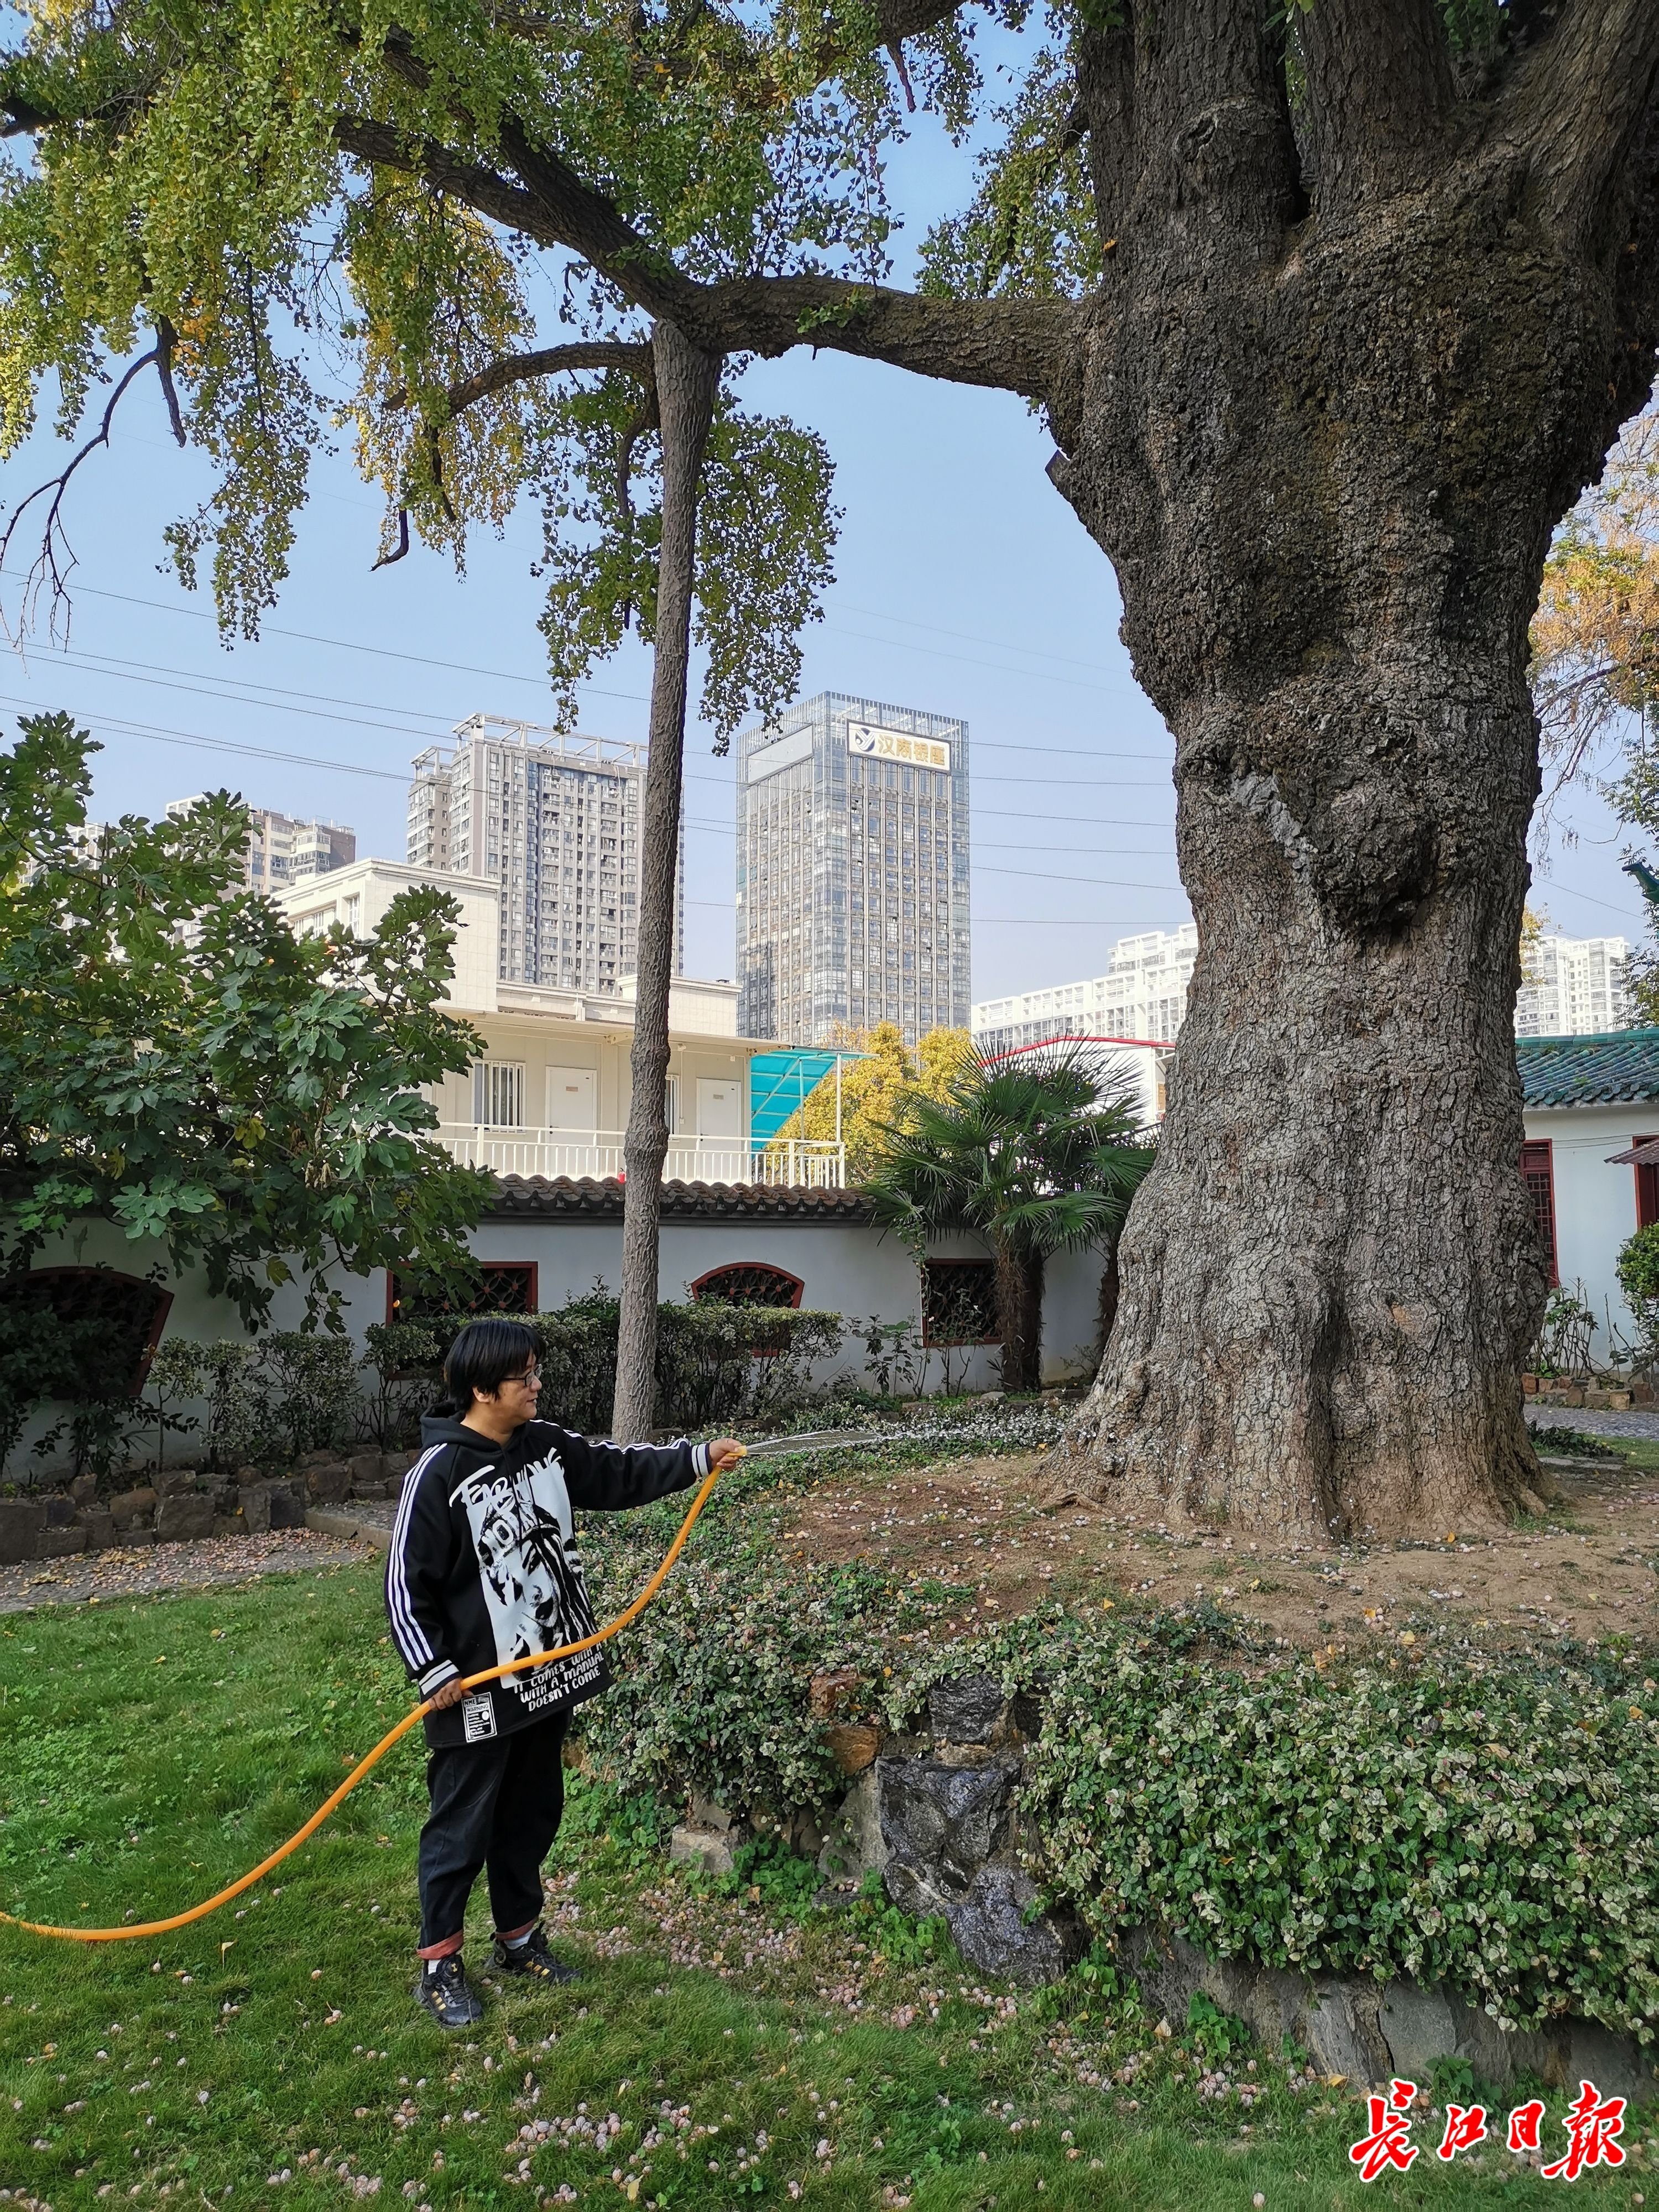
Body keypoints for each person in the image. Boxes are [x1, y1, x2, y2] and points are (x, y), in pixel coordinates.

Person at [385, 1316, 743, 2027]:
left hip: (547, 1677)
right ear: (484, 1389)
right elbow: (405, 1583)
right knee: (461, 1825)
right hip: (476, 1691)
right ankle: (440, 1962)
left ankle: (518, 1939)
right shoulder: (438, 1474)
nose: (537, 1385)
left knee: (532, 1813)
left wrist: (697, 1458)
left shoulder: (545, 1448)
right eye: (525, 1377)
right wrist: (432, 1669)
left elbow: (619, 1470)